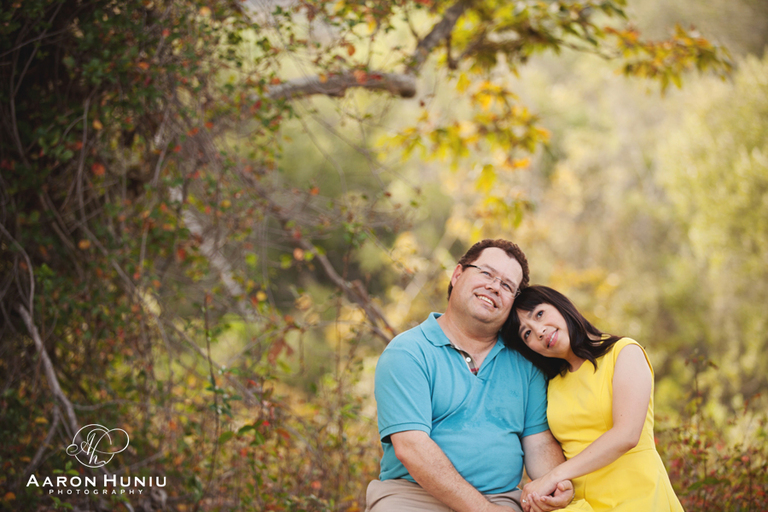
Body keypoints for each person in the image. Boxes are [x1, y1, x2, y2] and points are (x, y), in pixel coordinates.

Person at [367, 239, 575, 512]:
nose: (494, 287)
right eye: (486, 273)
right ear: (457, 274)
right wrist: (483, 510)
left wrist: (556, 483)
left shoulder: (526, 362)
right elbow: (411, 447)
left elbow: (538, 442)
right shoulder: (408, 352)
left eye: (507, 286)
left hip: (500, 499)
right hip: (412, 497)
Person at [504, 286, 684, 512]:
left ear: (560, 305)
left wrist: (553, 476)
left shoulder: (624, 352)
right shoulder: (551, 385)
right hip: (580, 505)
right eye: (527, 334)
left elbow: (627, 434)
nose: (539, 331)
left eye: (539, 314)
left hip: (638, 495)